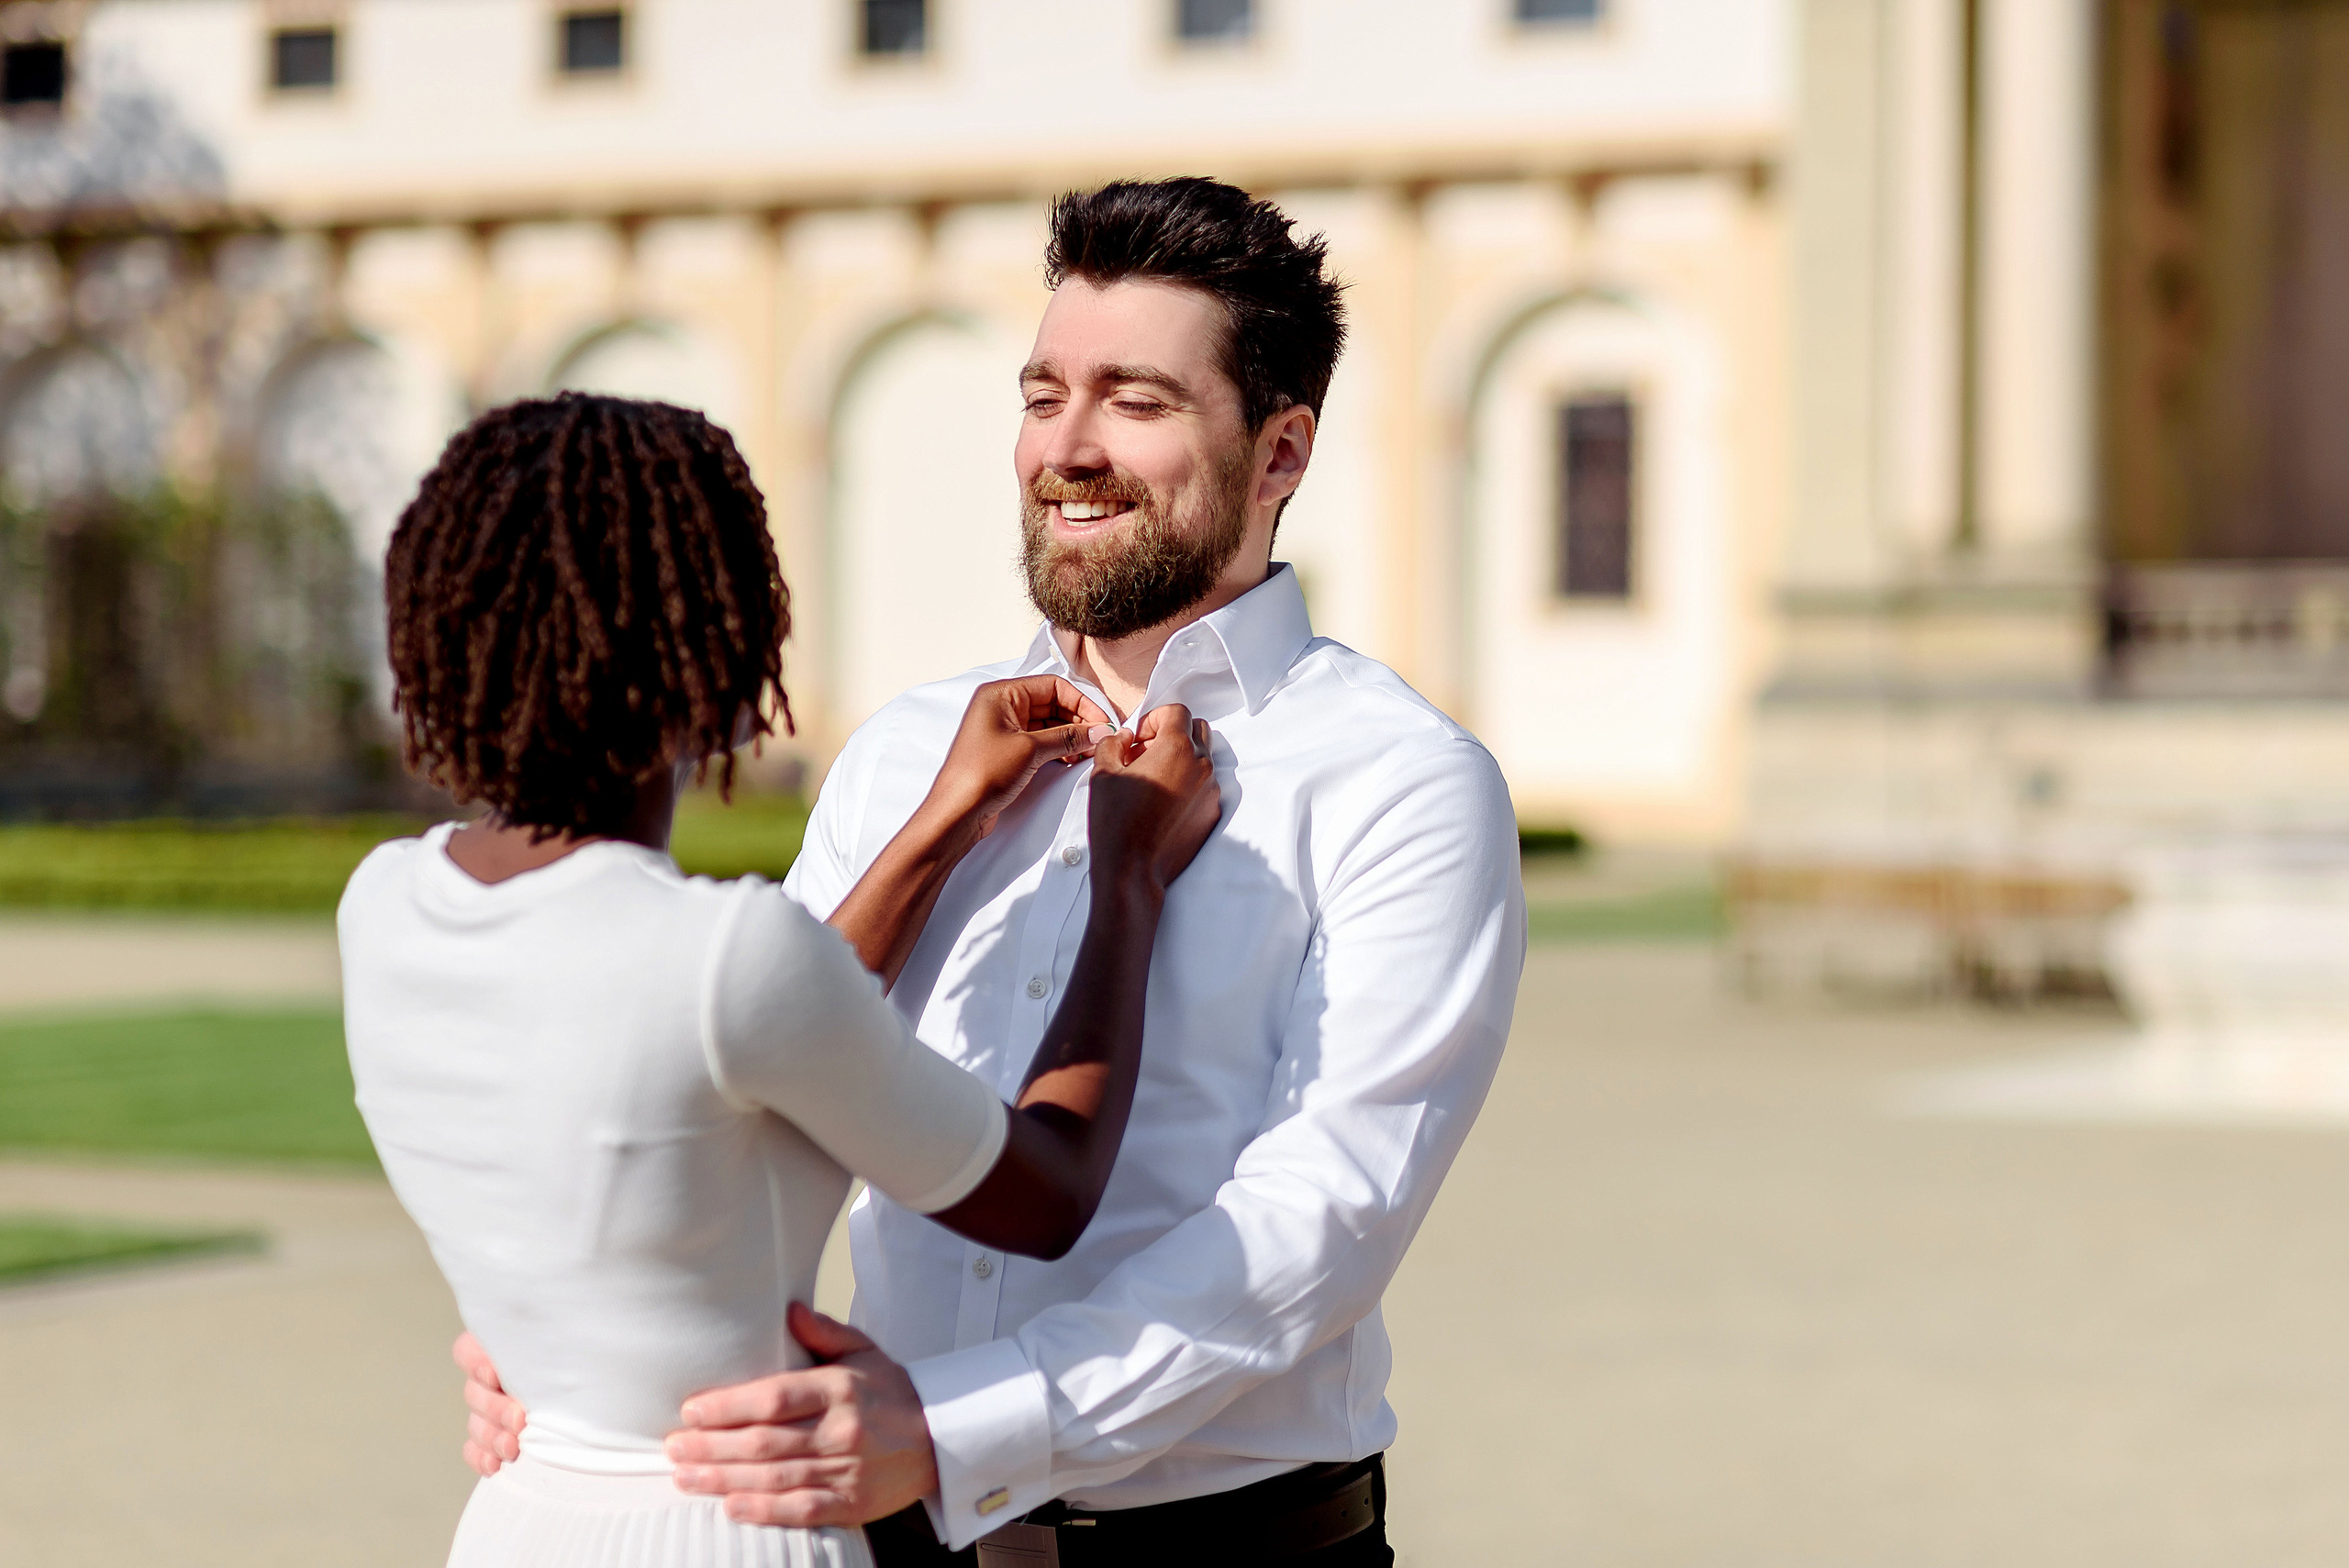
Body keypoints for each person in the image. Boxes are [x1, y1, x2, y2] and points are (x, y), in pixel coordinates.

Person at [459, 179, 1528, 1565]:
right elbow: (752, 1103)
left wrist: (949, 1427)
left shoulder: (1402, 782)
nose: (1066, 450)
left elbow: (1320, 1223)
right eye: (1042, 395)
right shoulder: (908, 751)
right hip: (886, 1538)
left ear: (1281, 451)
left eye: (1136, 401)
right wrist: (572, 1326)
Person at [341, 391, 1220, 1568]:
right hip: (735, 1526)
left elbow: (743, 1037)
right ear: (723, 652)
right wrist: (1126, 877)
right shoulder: (726, 953)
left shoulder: (383, 902)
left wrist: (948, 810)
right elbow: (1044, 1192)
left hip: (518, 1516)